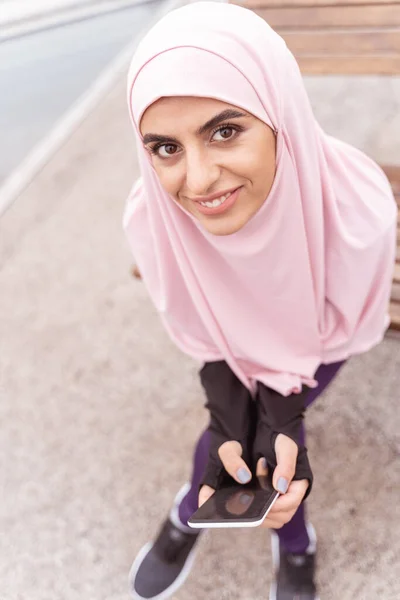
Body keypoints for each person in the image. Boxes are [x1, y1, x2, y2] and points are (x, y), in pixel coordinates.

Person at [123, 3, 398, 599]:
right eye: (166, 148)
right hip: (230, 347)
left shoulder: (358, 219)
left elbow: (339, 333)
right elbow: (202, 334)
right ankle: (276, 540)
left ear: (279, 114)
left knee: (266, 449)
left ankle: (229, 527)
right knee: (240, 438)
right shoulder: (151, 220)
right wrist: (233, 409)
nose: (196, 182)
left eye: (225, 131)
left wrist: (278, 415)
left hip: (316, 345)